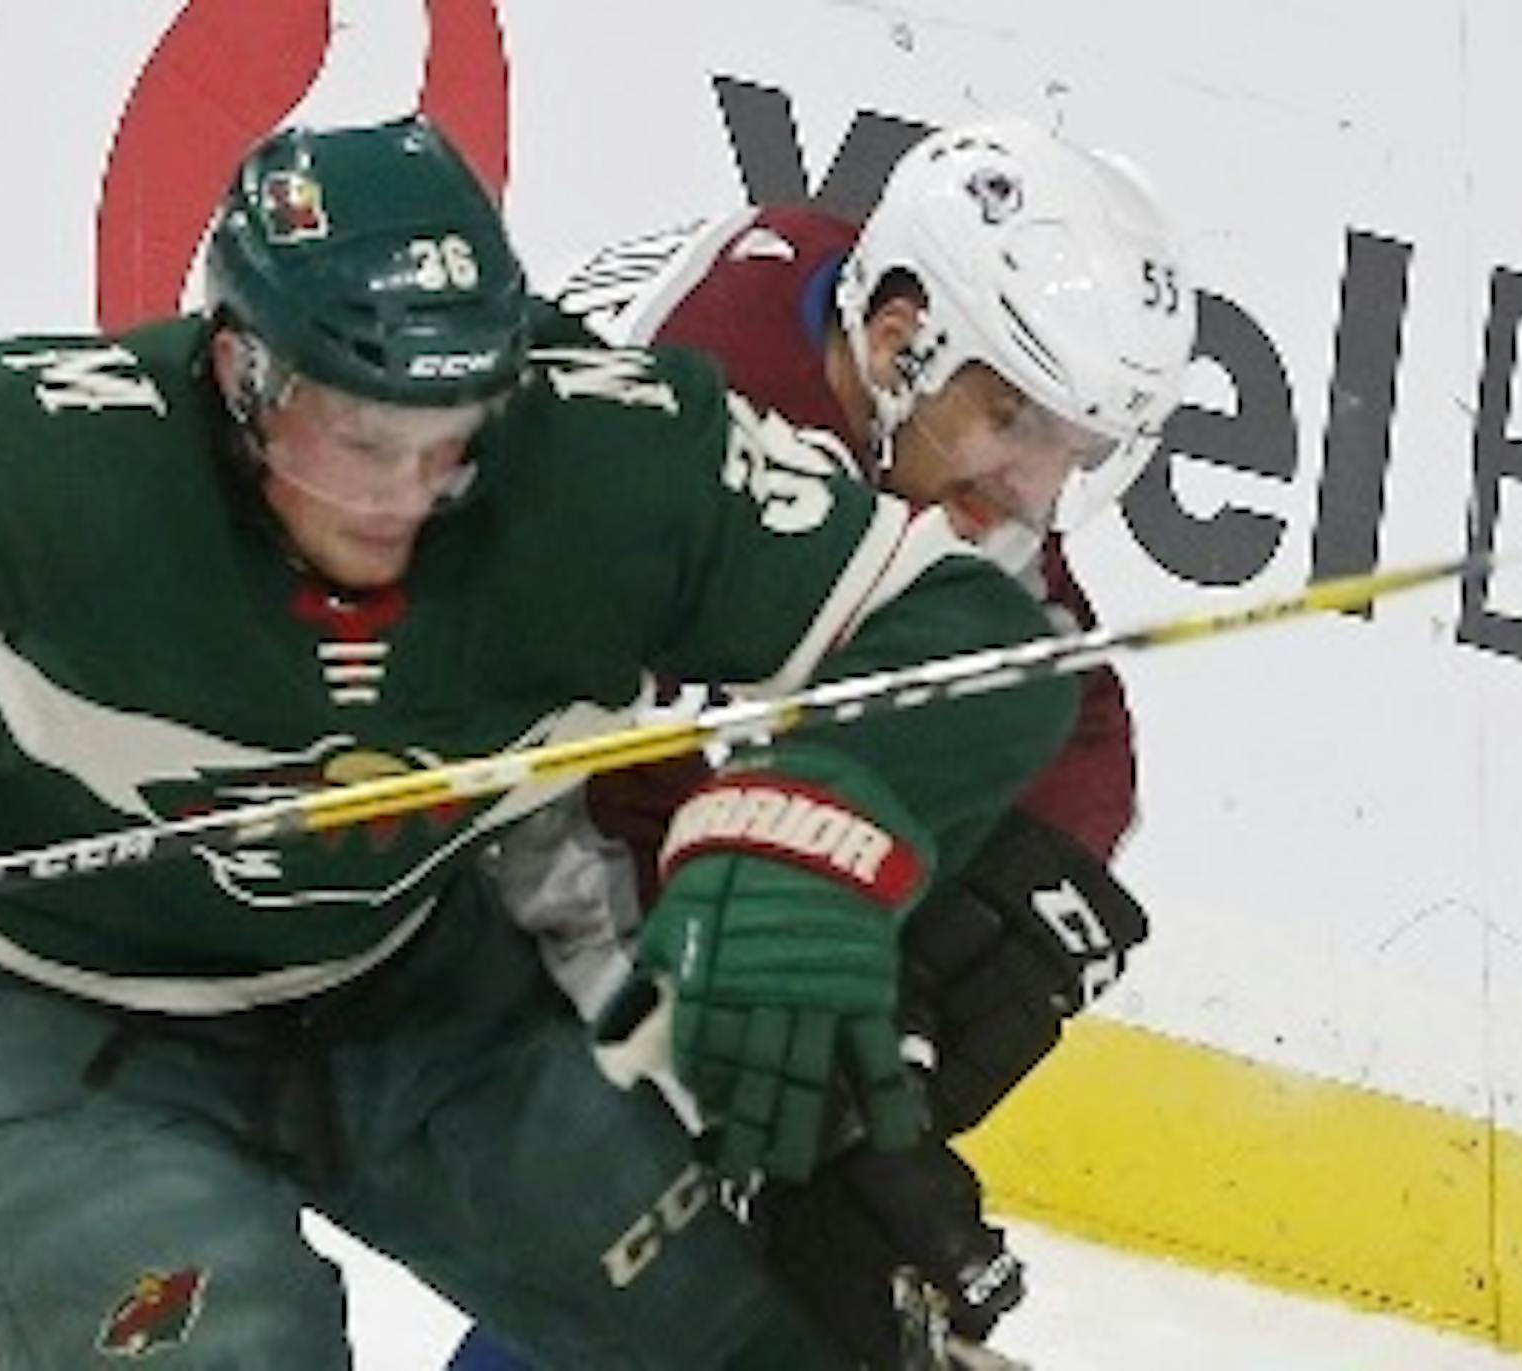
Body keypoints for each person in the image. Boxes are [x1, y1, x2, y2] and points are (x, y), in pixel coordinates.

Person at [0, 114, 1078, 1368]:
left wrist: (810, 833)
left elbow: (982, 641)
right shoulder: (44, 450)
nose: (404, 491)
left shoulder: (609, 455)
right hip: (65, 1035)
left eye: (448, 436)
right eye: (357, 432)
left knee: (782, 1323)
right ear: (239, 365)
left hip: (419, 995)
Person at [457, 118, 1197, 1369]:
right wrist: (788, 1053)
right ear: (904, 344)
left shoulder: (936, 407)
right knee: (663, 1184)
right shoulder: (688, 413)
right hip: (444, 782)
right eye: (1018, 428)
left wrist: (903, 999)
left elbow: (1070, 730)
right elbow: (572, 788)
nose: (1033, 489)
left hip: (625, 755)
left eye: (1075, 454)